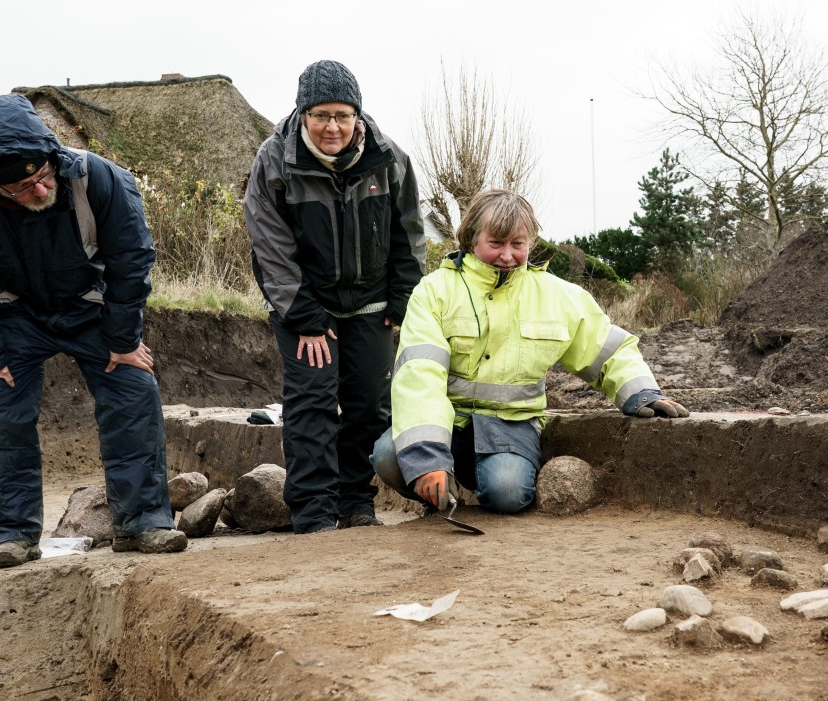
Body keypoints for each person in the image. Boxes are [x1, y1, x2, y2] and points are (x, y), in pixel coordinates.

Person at [0, 94, 186, 569]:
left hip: (91, 306)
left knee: (133, 389)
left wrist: (123, 341)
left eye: (42, 176)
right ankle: (12, 535)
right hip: (13, 310)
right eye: (20, 188)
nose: (39, 192)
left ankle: (143, 523)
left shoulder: (97, 177)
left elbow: (132, 258)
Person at [372, 189, 689, 514]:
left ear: (530, 242)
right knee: (390, 457)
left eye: (518, 244)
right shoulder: (435, 290)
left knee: (508, 493)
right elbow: (419, 374)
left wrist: (641, 392)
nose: (507, 255)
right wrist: (427, 457)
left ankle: (475, 485)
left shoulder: (557, 296)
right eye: (496, 243)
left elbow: (607, 349)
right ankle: (440, 492)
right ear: (471, 238)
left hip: (510, 425)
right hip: (447, 422)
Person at [245, 60, 424, 534]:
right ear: (303, 114)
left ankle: (355, 500)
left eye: (342, 116)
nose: (332, 127)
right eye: (321, 115)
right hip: (306, 306)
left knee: (368, 405)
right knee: (313, 402)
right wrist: (302, 314)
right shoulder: (275, 160)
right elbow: (268, 242)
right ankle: (313, 511)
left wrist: (403, 298)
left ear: (358, 117)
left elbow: (409, 233)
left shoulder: (390, 160)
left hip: (370, 304)